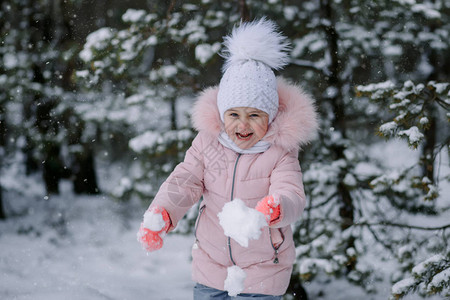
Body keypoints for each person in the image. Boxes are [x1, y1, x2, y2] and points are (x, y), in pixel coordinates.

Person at [137, 18, 318, 299]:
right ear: (222, 114)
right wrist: (161, 213)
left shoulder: (279, 152)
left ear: (269, 117)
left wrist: (277, 207)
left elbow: (291, 192)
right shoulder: (211, 144)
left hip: (262, 270)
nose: (242, 125)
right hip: (211, 265)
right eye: (234, 115)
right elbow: (185, 180)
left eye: (254, 115)